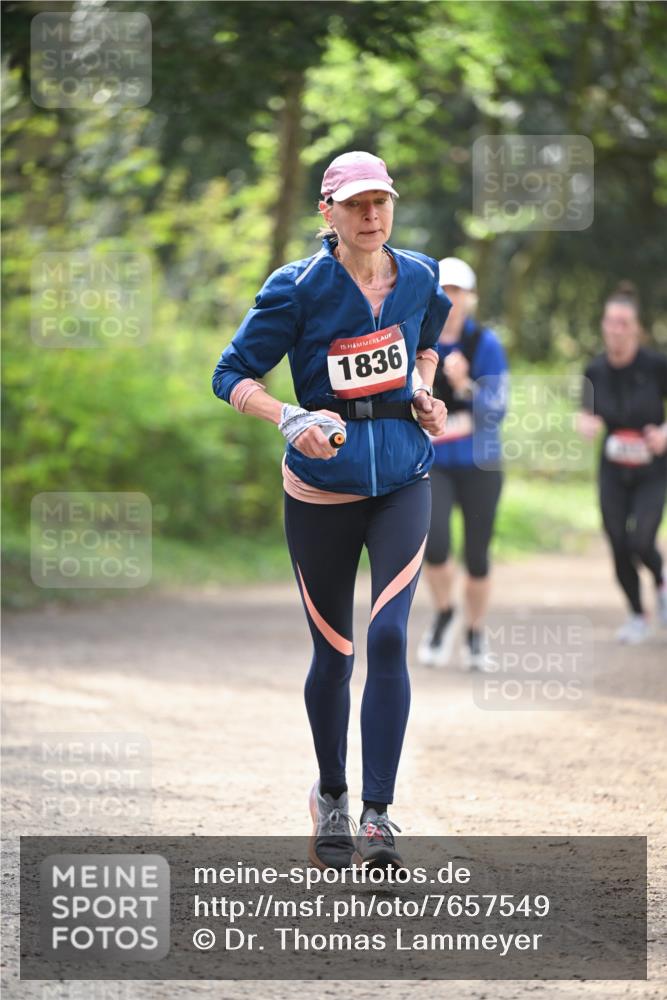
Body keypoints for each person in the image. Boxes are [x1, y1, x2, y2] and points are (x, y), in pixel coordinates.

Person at [212, 151, 450, 869]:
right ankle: (332, 796)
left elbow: (427, 342)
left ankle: (378, 813)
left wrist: (422, 392)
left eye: (380, 201)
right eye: (354, 204)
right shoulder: (297, 288)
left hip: (404, 478)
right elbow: (230, 373)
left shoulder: (420, 275)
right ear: (328, 213)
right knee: (335, 653)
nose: (370, 215)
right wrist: (286, 416)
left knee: (386, 639)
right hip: (321, 490)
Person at [416, 257, 508, 671]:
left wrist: (462, 384)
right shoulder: (420, 340)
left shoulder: (485, 344)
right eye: (444, 291)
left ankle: (474, 634)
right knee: (434, 547)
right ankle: (444, 614)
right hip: (433, 461)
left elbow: (497, 409)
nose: (450, 299)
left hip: (480, 464)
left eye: (458, 292)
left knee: (477, 556)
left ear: (470, 298)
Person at [578, 282, 667, 643]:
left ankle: (661, 583)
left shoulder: (656, 364)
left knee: (641, 540)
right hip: (613, 469)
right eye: (610, 322)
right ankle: (636, 614)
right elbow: (586, 413)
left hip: (652, 468)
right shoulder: (594, 370)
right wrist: (586, 422)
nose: (616, 329)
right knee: (617, 541)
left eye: (623, 323)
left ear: (636, 328)